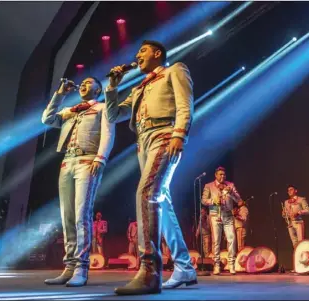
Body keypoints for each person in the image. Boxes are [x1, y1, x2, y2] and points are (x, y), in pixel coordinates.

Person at [105, 40, 196, 295]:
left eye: (142, 51)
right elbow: (114, 116)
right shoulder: (139, 88)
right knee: (161, 202)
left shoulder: (174, 70)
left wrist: (180, 133)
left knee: (146, 194)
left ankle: (149, 271)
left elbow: (185, 103)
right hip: (143, 141)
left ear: (157, 53)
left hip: (165, 133)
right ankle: (185, 267)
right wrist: (112, 87)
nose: (137, 55)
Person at [42, 77, 115, 287]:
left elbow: (108, 133)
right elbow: (47, 119)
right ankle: (69, 266)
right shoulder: (70, 110)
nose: (83, 84)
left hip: (87, 160)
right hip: (67, 162)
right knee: (67, 216)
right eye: (82, 82)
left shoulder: (102, 107)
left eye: (89, 82)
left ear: (98, 89)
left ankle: (81, 268)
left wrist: (101, 158)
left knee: (82, 215)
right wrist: (60, 94)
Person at [202, 166, 241, 275]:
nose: (222, 176)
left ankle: (231, 264)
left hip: (228, 215)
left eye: (224, 174)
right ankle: (217, 265)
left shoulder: (230, 185)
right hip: (215, 215)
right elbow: (203, 200)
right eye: (220, 174)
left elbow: (238, 199)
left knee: (231, 239)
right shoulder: (209, 186)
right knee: (216, 241)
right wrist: (212, 201)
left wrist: (231, 193)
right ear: (216, 175)